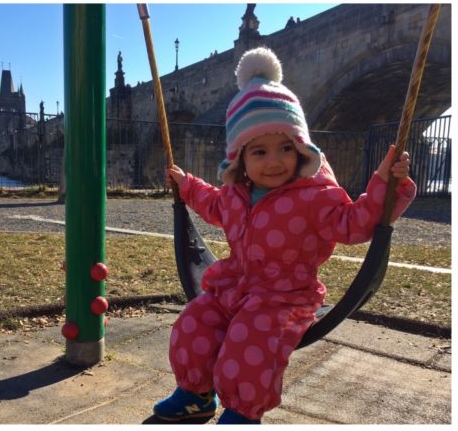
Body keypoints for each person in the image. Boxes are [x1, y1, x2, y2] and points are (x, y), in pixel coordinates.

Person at [152, 47, 415, 424]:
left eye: (285, 149)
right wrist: (186, 185)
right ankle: (196, 396)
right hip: (234, 287)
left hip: (285, 296)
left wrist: (387, 185)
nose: (274, 161)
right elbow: (211, 203)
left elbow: (355, 223)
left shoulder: (314, 196)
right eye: (259, 151)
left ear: (301, 149)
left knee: (249, 345)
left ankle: (243, 412)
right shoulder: (235, 194)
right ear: (240, 158)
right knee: (192, 325)